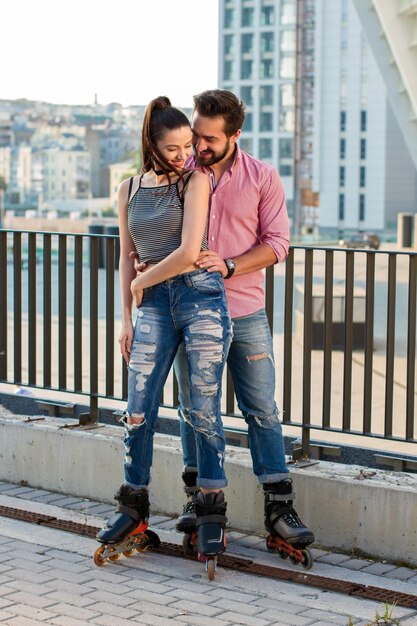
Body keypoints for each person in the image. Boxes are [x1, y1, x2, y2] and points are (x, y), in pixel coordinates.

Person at [172, 89, 315, 548]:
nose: (199, 145)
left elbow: (278, 244)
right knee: (195, 410)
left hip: (245, 310)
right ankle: (199, 500)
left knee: (262, 410)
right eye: (196, 134)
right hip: (189, 313)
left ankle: (279, 507)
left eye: (210, 138)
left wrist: (230, 264)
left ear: (236, 134)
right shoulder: (180, 173)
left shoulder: (263, 177)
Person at [96, 96, 232, 562]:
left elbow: (190, 251)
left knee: (203, 409)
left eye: (187, 145)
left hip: (199, 298)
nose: (183, 155)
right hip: (151, 305)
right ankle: (133, 504)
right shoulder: (128, 187)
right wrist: (126, 316)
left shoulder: (197, 181)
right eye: (173, 148)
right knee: (137, 409)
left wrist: (141, 279)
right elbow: (123, 255)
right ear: (151, 144)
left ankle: (211, 507)